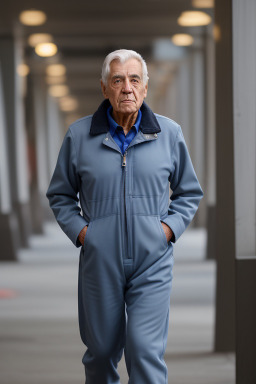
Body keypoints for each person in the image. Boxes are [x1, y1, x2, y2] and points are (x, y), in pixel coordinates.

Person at [46, 49, 203, 384]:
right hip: (100, 260)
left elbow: (189, 192)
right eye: (118, 80)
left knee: (144, 350)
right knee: (101, 353)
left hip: (153, 260)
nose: (127, 88)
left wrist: (165, 231)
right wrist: (86, 234)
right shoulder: (78, 136)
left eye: (134, 80)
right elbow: (60, 195)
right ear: (105, 88)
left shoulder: (169, 134)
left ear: (145, 88)